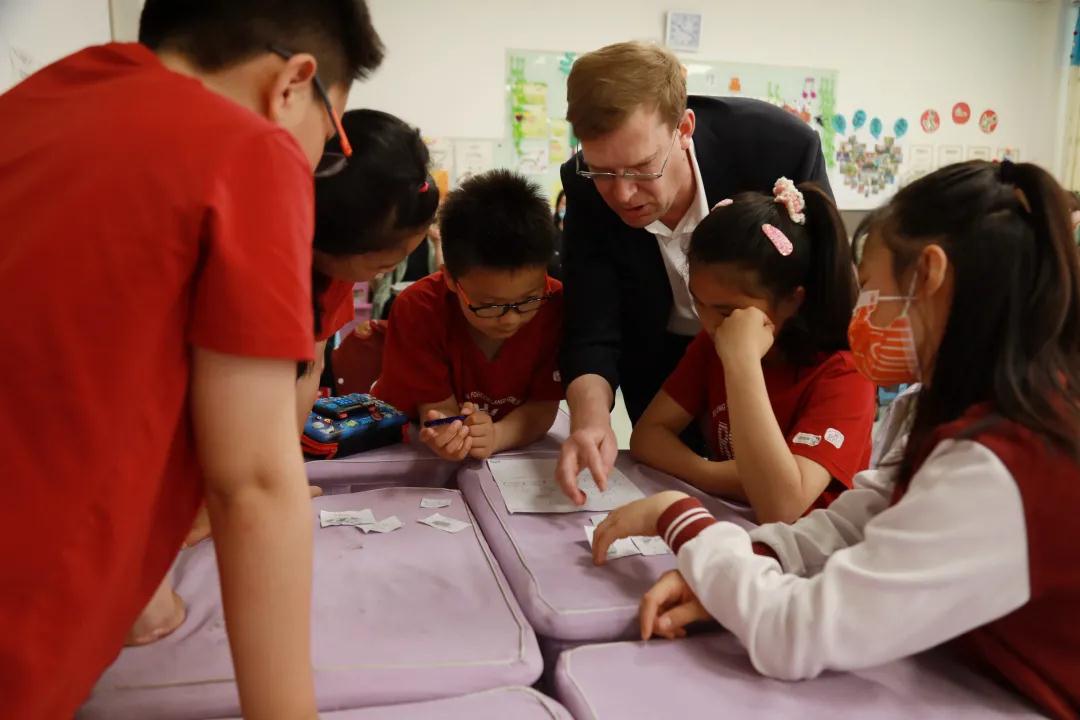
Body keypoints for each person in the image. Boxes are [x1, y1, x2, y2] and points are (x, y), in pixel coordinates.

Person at [0, 2, 383, 717]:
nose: (317, 165)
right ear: (293, 83)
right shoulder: (249, 150)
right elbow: (255, 485)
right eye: (331, 141)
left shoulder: (34, 102)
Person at [591, 160, 1080, 720]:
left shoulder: (1005, 463)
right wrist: (739, 563)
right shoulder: (953, 411)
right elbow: (852, 522)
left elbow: (792, 633)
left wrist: (680, 519)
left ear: (929, 274)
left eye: (870, 286)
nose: (861, 308)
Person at [554, 41, 833, 501]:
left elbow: (820, 281)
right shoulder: (582, 184)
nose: (622, 194)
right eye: (602, 171)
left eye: (642, 168)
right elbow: (591, 324)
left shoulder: (775, 147)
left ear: (684, 128)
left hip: (774, 361)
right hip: (662, 369)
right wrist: (590, 421)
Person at [629, 179, 875, 523]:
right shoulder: (713, 343)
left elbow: (782, 506)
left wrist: (742, 363)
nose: (710, 324)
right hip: (735, 529)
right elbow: (647, 437)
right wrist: (714, 474)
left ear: (792, 301)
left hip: (814, 547)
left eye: (727, 311)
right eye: (698, 303)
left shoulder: (845, 374)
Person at [372, 170, 564, 461]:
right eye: (490, 306)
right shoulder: (418, 308)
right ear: (450, 278)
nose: (510, 319)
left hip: (507, 449)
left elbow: (542, 408)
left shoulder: (555, 304)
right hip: (407, 447)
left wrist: (497, 435)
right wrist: (451, 434)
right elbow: (437, 412)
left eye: (528, 300)